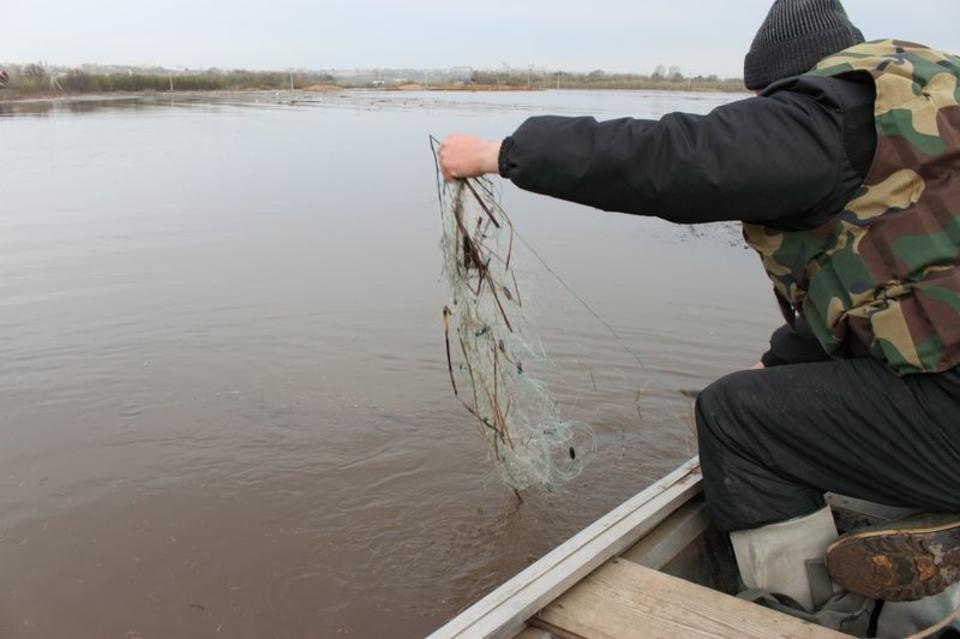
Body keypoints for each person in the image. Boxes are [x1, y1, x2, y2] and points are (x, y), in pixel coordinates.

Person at [438, 0, 960, 636]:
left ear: (786, 82)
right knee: (774, 390)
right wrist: (777, 363)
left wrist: (501, 153)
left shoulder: (826, 115)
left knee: (734, 416)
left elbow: (674, 157)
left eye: (767, 97)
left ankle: (813, 615)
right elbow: (886, 284)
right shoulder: (928, 101)